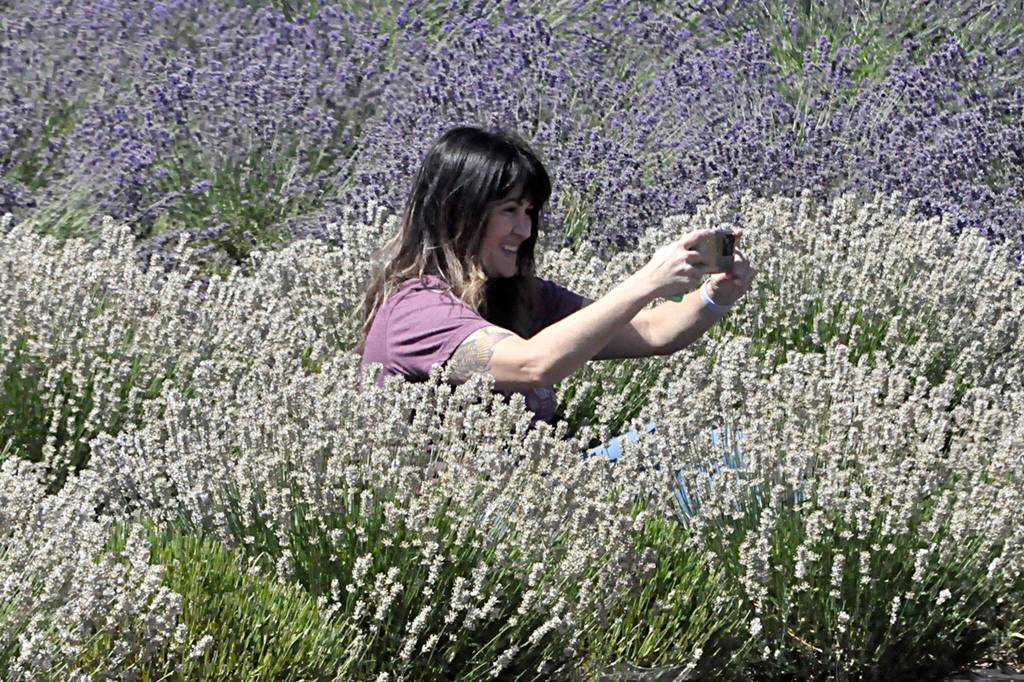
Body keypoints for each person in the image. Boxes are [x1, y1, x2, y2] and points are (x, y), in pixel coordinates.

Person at [356, 125, 756, 455]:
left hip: (547, 492)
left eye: (529, 212)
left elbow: (652, 331)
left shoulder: (519, 296)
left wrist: (715, 294)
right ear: (458, 212)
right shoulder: (416, 311)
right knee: (716, 458)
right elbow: (533, 364)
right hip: (471, 521)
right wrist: (647, 280)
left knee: (726, 447)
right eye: (508, 211)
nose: (524, 230)